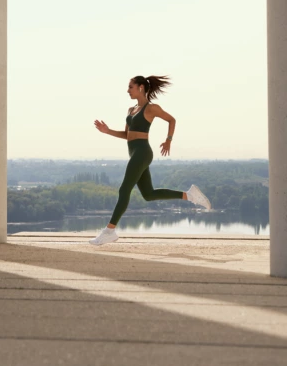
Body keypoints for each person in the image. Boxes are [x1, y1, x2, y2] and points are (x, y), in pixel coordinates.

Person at [89, 74, 211, 246]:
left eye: (130, 87)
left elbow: (171, 120)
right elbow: (127, 135)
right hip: (135, 153)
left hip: (142, 153)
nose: (127, 90)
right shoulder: (131, 110)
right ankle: (189, 195)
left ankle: (109, 231)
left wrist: (168, 140)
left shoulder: (151, 108)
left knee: (124, 190)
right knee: (148, 194)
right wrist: (107, 131)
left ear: (140, 87)